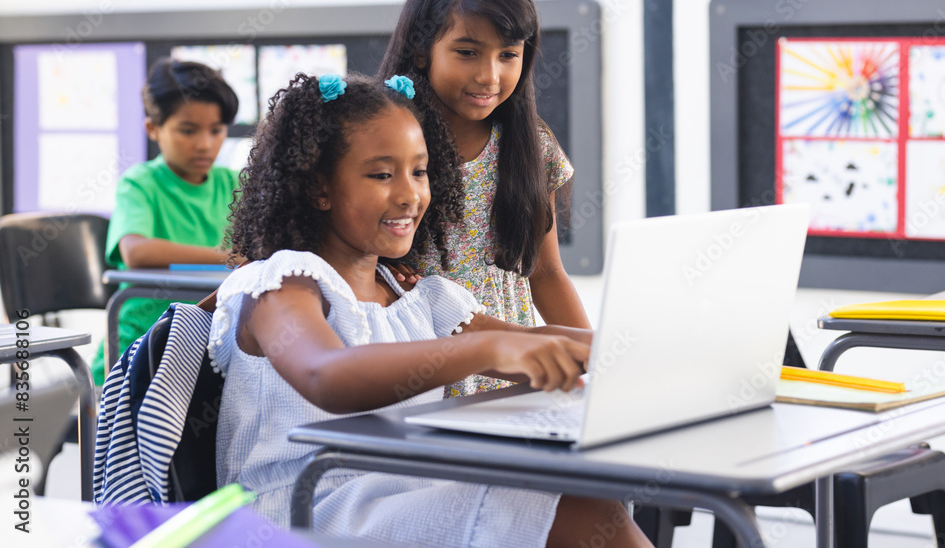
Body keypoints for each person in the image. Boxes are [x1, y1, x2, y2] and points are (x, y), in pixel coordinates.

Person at [212, 72, 651, 547]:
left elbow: (536, 343)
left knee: (584, 499)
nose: (409, 194)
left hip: (394, 497)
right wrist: (488, 349)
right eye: (382, 174)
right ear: (319, 187)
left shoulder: (416, 298)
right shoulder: (282, 285)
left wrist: (637, 351)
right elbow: (326, 375)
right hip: (297, 515)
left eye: (418, 171)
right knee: (574, 510)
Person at [378, 0, 592, 397]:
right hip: (418, 377)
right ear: (421, 50)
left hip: (514, 379)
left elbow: (547, 273)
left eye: (508, 55)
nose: (489, 75)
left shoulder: (530, 145)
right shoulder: (388, 143)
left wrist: (594, 370)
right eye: (468, 51)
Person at [93, 58, 240, 384]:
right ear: (153, 129)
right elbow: (137, 253)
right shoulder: (141, 183)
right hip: (141, 346)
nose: (205, 143)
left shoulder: (235, 184)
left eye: (216, 130)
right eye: (188, 130)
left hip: (212, 342)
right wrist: (230, 257)